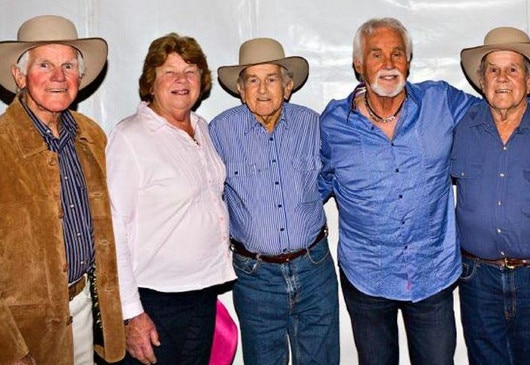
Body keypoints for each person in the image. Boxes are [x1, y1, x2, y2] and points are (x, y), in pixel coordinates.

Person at [318, 17, 530, 365]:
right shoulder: (332, 125)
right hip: (367, 277)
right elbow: (313, 185)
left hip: (432, 278)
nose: (389, 64)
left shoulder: (441, 102)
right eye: (376, 55)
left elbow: (502, 102)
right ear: (359, 65)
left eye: (397, 53)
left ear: (409, 61)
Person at [0, 15, 124, 365]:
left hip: (83, 308)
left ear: (80, 77)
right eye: (45, 65)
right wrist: (9, 349)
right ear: (19, 75)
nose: (58, 76)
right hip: (23, 329)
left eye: (68, 65)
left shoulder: (91, 136)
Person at [106, 33, 235, 364]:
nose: (182, 80)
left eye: (190, 71)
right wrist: (131, 313)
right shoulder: (131, 137)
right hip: (154, 302)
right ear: (151, 82)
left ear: (202, 81)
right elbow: (113, 230)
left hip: (201, 294)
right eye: (169, 71)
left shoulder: (202, 129)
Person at [209, 38, 338, 365]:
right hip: (254, 275)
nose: (262, 89)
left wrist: (302, 207)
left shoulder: (313, 124)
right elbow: (209, 196)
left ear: (288, 85)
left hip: (314, 267)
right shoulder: (219, 132)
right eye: (252, 80)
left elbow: (331, 175)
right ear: (240, 89)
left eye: (271, 79)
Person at [451, 27, 530, 365]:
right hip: (477, 279)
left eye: (512, 69)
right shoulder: (459, 125)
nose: (502, 78)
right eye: (493, 69)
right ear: (480, 80)